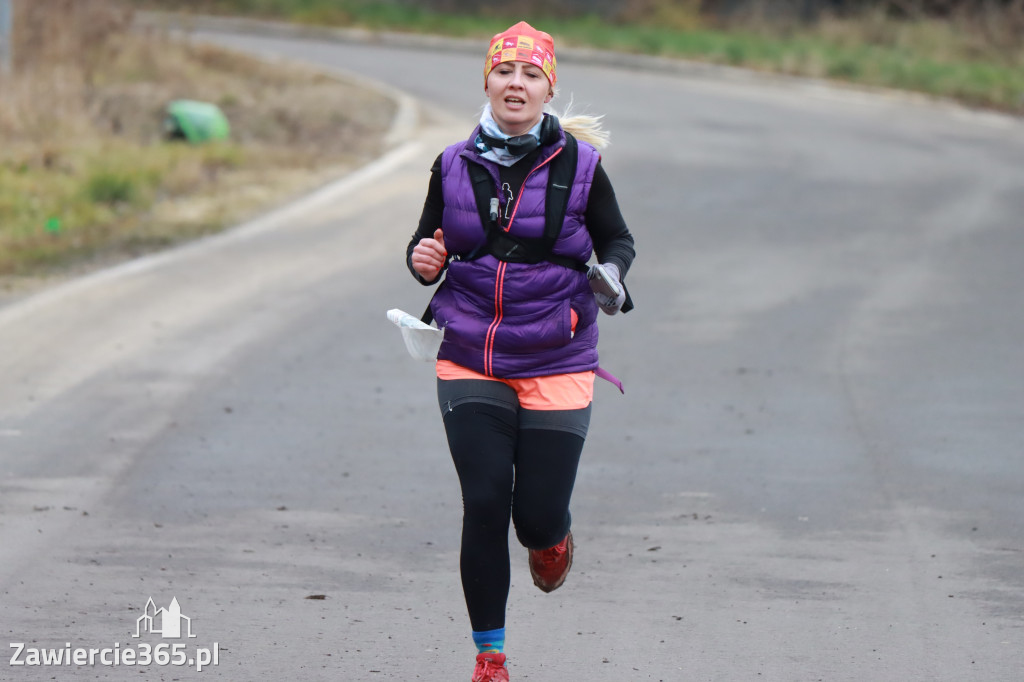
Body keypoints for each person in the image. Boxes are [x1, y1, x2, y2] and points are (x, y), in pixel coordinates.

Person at [405, 21, 635, 682]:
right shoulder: (451, 164)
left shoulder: (582, 167)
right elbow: (427, 246)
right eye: (505, 72)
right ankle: (490, 656)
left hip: (558, 355)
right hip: (470, 352)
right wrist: (424, 262)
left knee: (533, 519)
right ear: (487, 82)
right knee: (483, 500)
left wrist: (612, 276)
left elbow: (618, 242)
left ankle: (552, 539)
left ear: (547, 90)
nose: (516, 83)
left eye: (531, 75)